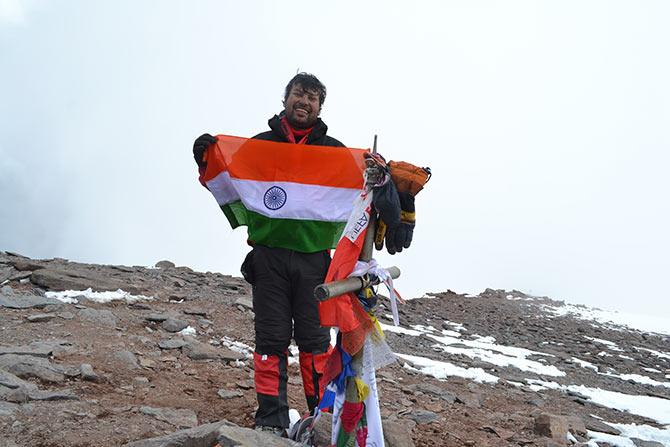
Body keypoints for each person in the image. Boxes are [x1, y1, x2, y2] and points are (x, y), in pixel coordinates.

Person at [192, 73, 342, 434]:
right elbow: (229, 180)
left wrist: (383, 181)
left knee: (316, 343)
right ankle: (271, 420)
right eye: (297, 94)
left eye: (312, 97)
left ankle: (320, 421)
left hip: (314, 262)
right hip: (269, 260)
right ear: (285, 99)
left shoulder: (335, 152)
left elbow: (359, 195)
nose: (303, 102)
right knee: (270, 342)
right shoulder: (259, 147)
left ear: (320, 106)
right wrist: (206, 158)